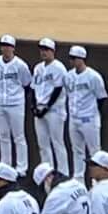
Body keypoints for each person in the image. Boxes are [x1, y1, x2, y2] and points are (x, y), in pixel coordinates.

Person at [0, 36, 30, 170]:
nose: (5, 48)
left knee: (18, 136)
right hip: (0, 104)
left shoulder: (20, 65)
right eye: (3, 45)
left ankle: (21, 167)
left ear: (13, 48)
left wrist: (18, 98)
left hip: (16, 105)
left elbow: (27, 84)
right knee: (3, 135)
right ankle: (6, 164)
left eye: (8, 45)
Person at [62, 45, 105, 169]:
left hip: (89, 119)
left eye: (74, 58)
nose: (72, 61)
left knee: (95, 152)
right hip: (74, 119)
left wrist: (94, 114)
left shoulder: (93, 76)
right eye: (71, 58)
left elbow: (101, 97)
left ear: (82, 59)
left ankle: (96, 181)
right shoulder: (68, 76)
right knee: (77, 150)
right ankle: (78, 178)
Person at [29, 38, 67, 175]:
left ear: (53, 51)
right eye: (42, 49)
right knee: (43, 144)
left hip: (54, 111)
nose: (43, 52)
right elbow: (33, 88)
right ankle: (47, 171)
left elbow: (58, 90)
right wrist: (33, 106)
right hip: (39, 110)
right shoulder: (38, 68)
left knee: (57, 143)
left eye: (46, 50)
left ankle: (63, 172)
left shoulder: (59, 67)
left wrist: (47, 107)